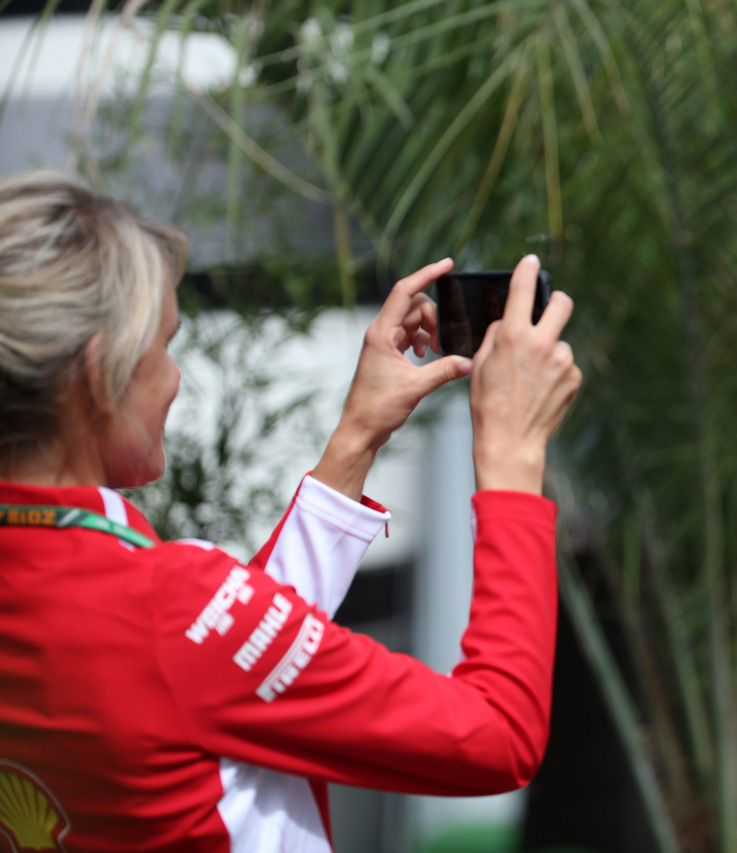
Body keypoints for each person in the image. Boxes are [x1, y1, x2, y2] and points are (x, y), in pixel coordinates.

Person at [0, 169, 582, 852]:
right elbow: (496, 733)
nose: (176, 376)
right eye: (163, 344)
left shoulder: (63, 561)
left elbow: (225, 670)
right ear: (101, 376)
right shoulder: (168, 611)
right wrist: (512, 464)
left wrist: (357, 435)